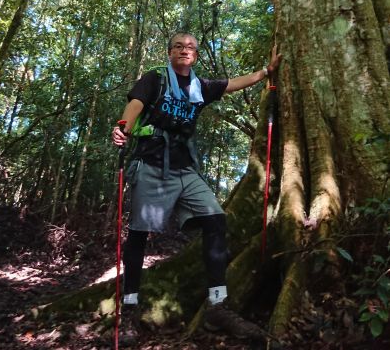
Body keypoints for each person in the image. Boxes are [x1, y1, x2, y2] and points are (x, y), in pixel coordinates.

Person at [112, 32, 282, 344]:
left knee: (216, 218)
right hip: (151, 165)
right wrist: (123, 128)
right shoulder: (156, 78)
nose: (184, 50)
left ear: (196, 55)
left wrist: (266, 73)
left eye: (190, 47)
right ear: (170, 52)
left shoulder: (200, 87)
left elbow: (231, 84)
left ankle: (217, 305)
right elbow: (135, 105)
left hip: (185, 171)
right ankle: (129, 308)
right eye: (179, 46)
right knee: (138, 234)